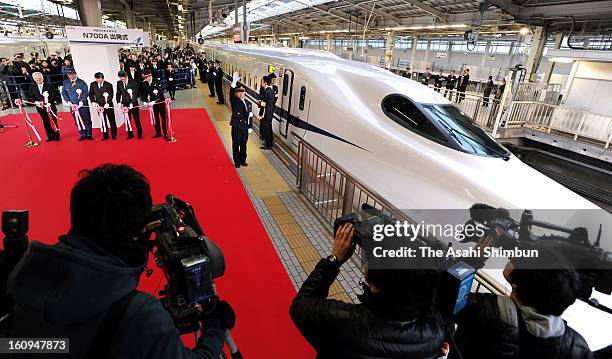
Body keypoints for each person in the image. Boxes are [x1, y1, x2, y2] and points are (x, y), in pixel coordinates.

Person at [7, 163, 234, 359]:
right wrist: (214, 326)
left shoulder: (24, 278)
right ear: (138, 232)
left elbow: (43, 346)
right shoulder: (141, 317)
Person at [290, 223, 446, 358]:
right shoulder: (434, 332)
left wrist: (334, 260)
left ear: (375, 286)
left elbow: (300, 306)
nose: (365, 267)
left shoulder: (344, 322)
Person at [449, 232, 597, 359]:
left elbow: (442, 292)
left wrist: (472, 260)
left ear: (518, 282)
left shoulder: (482, 312)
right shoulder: (575, 346)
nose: (513, 256)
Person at [62, 68, 93, 141]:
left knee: (86, 119)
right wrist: (68, 102)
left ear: (75, 74)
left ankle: (89, 134)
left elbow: (85, 93)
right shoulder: (66, 82)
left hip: (82, 105)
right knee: (77, 120)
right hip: (72, 105)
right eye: (69, 75)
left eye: (72, 74)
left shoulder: (81, 82)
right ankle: (82, 134)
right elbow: (64, 93)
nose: (70, 76)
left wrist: (81, 101)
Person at [29, 72, 60, 141]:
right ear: (34, 79)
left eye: (40, 79)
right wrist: (36, 102)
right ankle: (50, 136)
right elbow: (31, 96)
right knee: (46, 122)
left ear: (42, 78)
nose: (39, 81)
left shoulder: (49, 86)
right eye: (37, 80)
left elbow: (54, 95)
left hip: (50, 107)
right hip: (41, 108)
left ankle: (56, 136)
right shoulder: (32, 87)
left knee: (53, 121)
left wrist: (49, 103)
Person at [141, 68, 168, 140]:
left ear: (149, 76)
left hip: (160, 102)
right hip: (152, 104)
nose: (145, 79)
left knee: (163, 118)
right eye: (144, 77)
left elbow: (159, 93)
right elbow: (144, 93)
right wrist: (144, 101)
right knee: (155, 118)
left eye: (145, 77)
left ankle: (165, 133)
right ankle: (158, 132)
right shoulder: (145, 83)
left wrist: (154, 101)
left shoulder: (157, 81)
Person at [89, 72, 117, 141]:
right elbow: (91, 94)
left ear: (102, 78)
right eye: (96, 79)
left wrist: (108, 103)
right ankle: (105, 135)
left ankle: (114, 134)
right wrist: (93, 102)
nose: (98, 81)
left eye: (99, 79)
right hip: (99, 106)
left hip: (108, 105)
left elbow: (111, 95)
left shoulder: (109, 85)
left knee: (112, 120)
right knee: (102, 120)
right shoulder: (93, 84)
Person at [230, 86, 253, 168]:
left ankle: (243, 160)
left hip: (245, 127)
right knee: (236, 144)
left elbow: (251, 117)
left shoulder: (248, 103)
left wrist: (250, 126)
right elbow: (243, 113)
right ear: (236, 93)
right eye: (239, 92)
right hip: (237, 126)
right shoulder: (235, 102)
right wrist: (233, 85)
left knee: (244, 144)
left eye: (242, 92)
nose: (241, 94)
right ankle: (237, 161)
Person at [117, 70, 143, 139]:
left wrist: (132, 103)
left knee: (137, 119)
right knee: (127, 119)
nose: (122, 80)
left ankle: (140, 134)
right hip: (125, 103)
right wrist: (118, 102)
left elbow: (135, 94)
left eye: (123, 79)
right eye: (121, 79)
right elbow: (118, 93)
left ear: (126, 76)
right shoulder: (119, 83)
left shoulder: (133, 82)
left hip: (133, 103)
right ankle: (130, 134)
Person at [259, 76, 275, 150]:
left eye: (262, 82)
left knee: (267, 129)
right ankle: (269, 143)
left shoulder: (265, 91)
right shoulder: (272, 91)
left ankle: (268, 145)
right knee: (269, 128)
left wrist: (260, 114)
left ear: (265, 83)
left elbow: (264, 104)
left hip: (266, 113)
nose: (261, 83)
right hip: (270, 113)